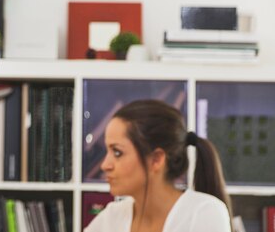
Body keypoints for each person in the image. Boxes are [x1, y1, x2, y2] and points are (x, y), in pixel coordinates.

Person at [85, 99, 232, 232]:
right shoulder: (111, 217)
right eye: (107, 151)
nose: (105, 165)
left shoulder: (204, 213)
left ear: (156, 159)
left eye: (117, 153)